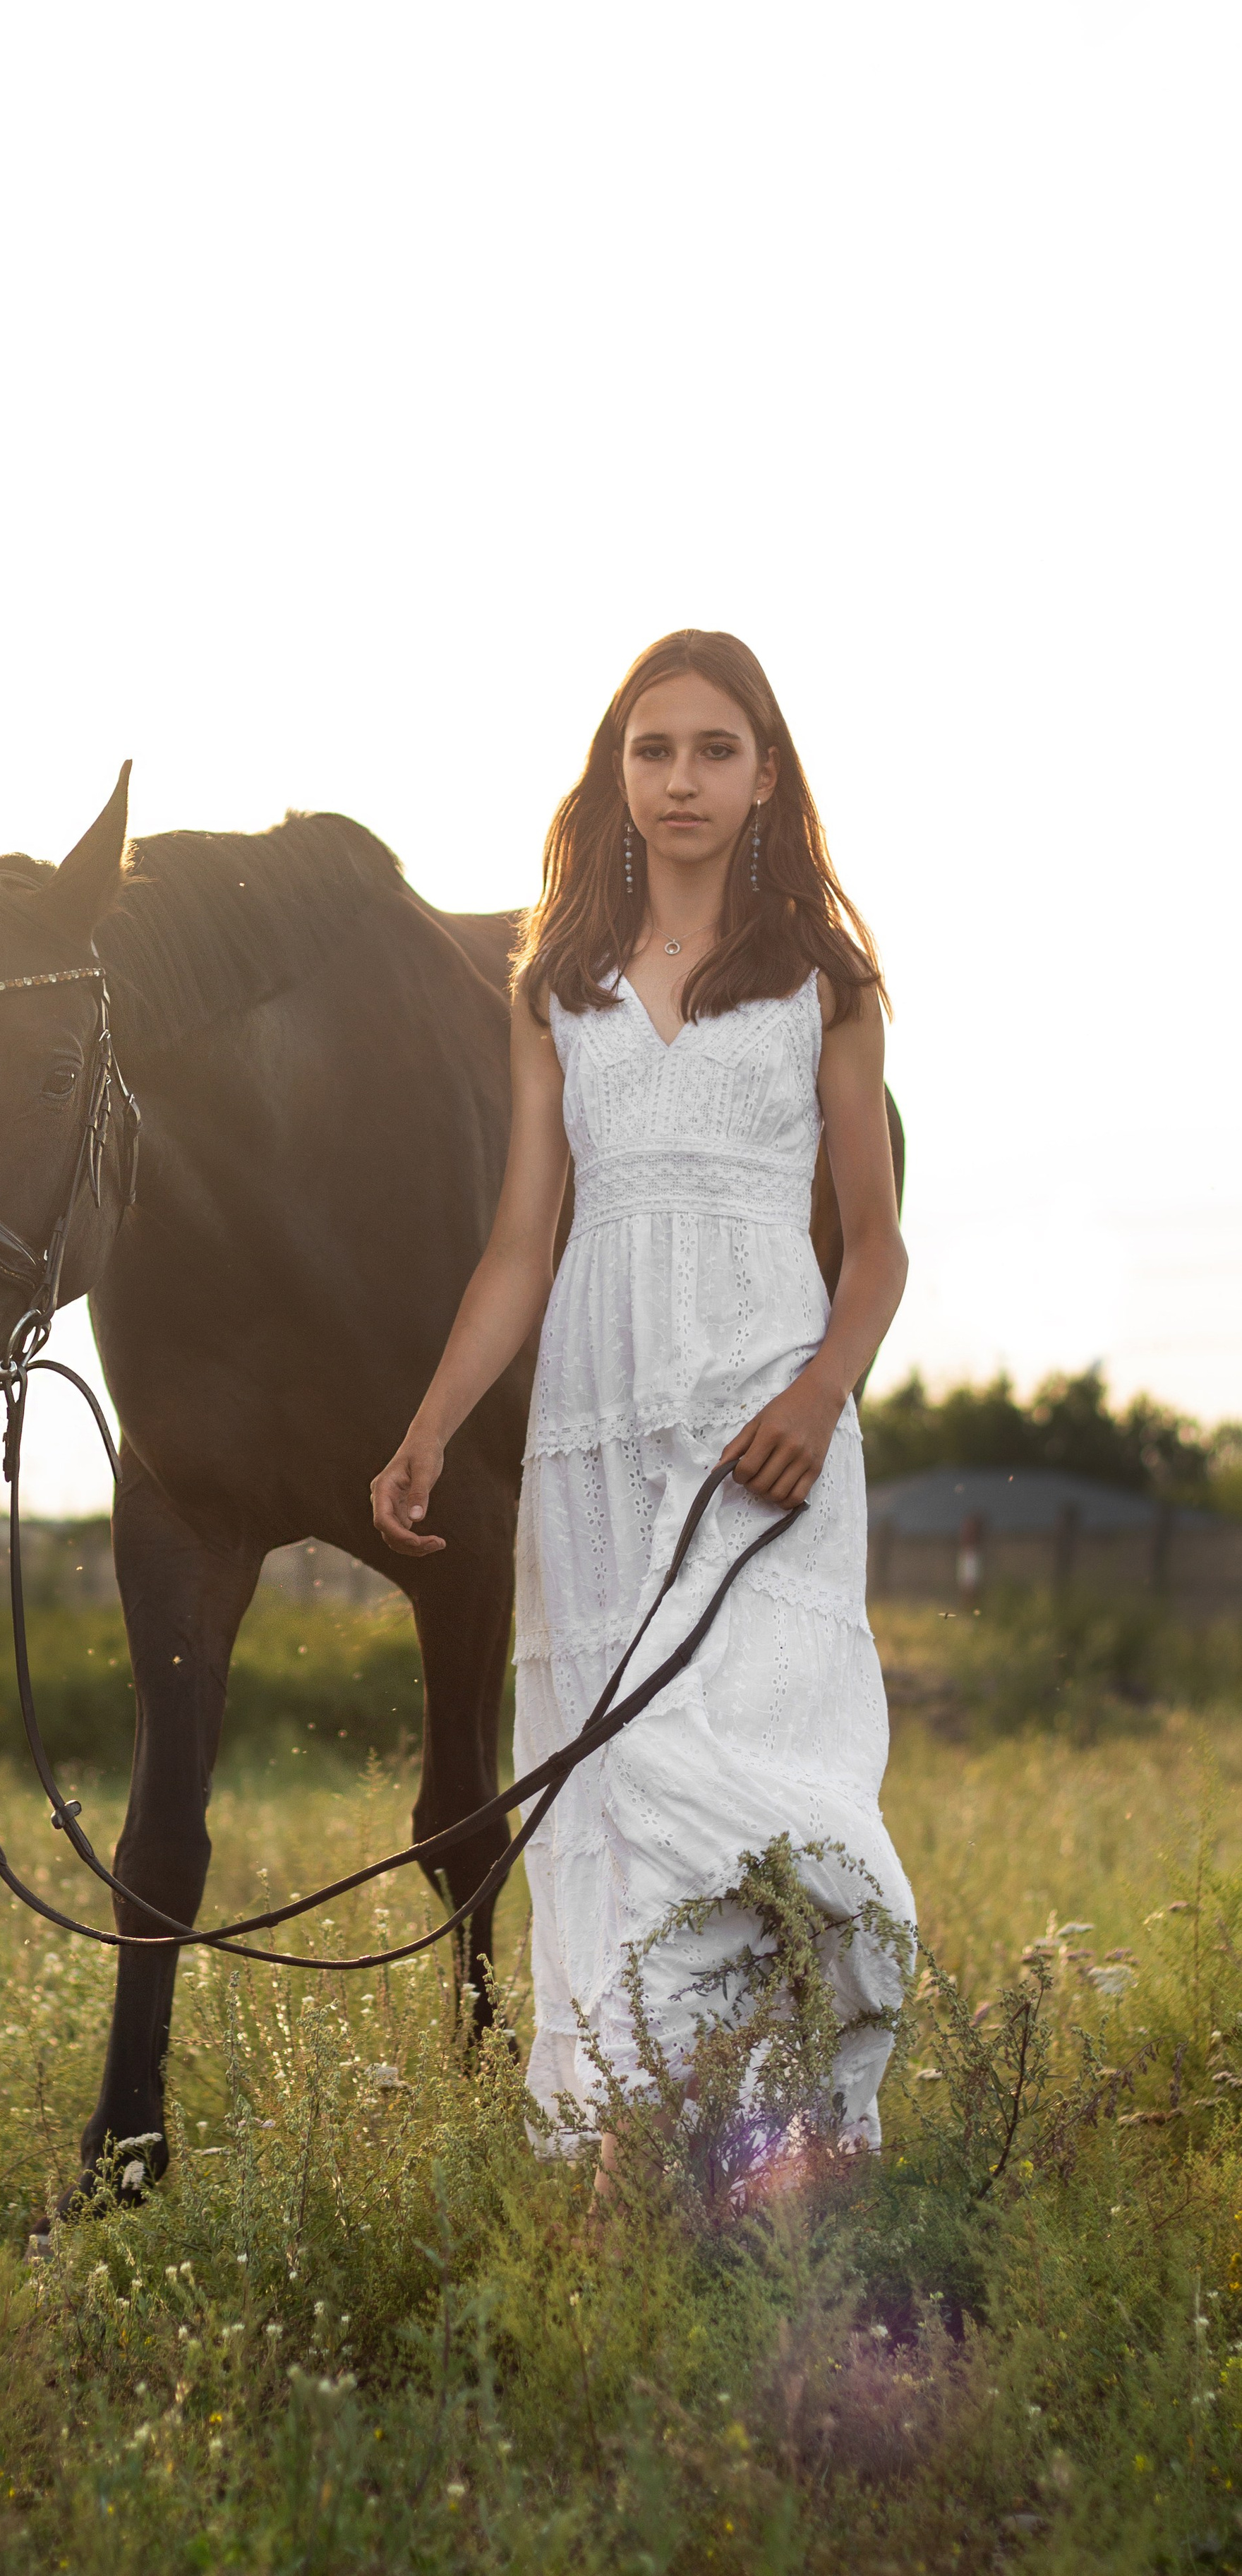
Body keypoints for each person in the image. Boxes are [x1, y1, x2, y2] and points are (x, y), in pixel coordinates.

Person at [370, 628, 916, 2165]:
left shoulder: (825, 984)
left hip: (766, 1426)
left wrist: (818, 1396)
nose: (679, 780)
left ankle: (793, 2149)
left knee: (757, 1773)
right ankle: (631, 2156)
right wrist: (424, 1429)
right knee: (615, 1790)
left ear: (763, 778)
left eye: (712, 751)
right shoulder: (555, 987)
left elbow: (871, 1249)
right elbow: (515, 1251)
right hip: (597, 1430)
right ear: (616, 774)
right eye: (650, 750)